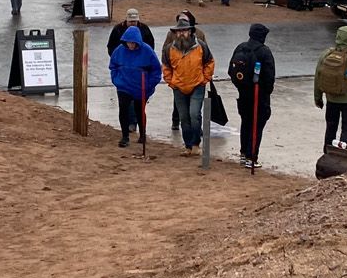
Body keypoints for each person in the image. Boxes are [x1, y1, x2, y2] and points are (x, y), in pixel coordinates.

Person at [161, 15, 215, 156]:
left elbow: (209, 62)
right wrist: (170, 82)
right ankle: (188, 146)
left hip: (197, 85)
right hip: (178, 87)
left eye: (184, 31)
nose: (181, 34)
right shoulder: (169, 49)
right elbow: (166, 67)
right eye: (179, 31)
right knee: (184, 117)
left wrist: (205, 79)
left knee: (194, 114)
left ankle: (196, 143)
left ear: (190, 32)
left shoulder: (201, 46)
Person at [228, 24, 276, 168]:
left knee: (246, 122)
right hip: (259, 95)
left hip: (243, 93)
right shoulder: (264, 52)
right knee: (257, 126)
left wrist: (241, 86)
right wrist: (266, 91)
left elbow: (231, 71)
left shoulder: (240, 47)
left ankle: (243, 154)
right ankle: (252, 156)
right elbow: (269, 76)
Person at [110, 28, 162, 148]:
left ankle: (142, 134)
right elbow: (113, 66)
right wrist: (117, 80)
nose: (131, 45)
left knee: (139, 111)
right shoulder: (119, 51)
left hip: (141, 87)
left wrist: (149, 85)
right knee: (123, 109)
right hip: (124, 85)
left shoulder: (147, 51)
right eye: (128, 42)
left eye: (133, 43)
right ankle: (125, 136)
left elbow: (156, 70)